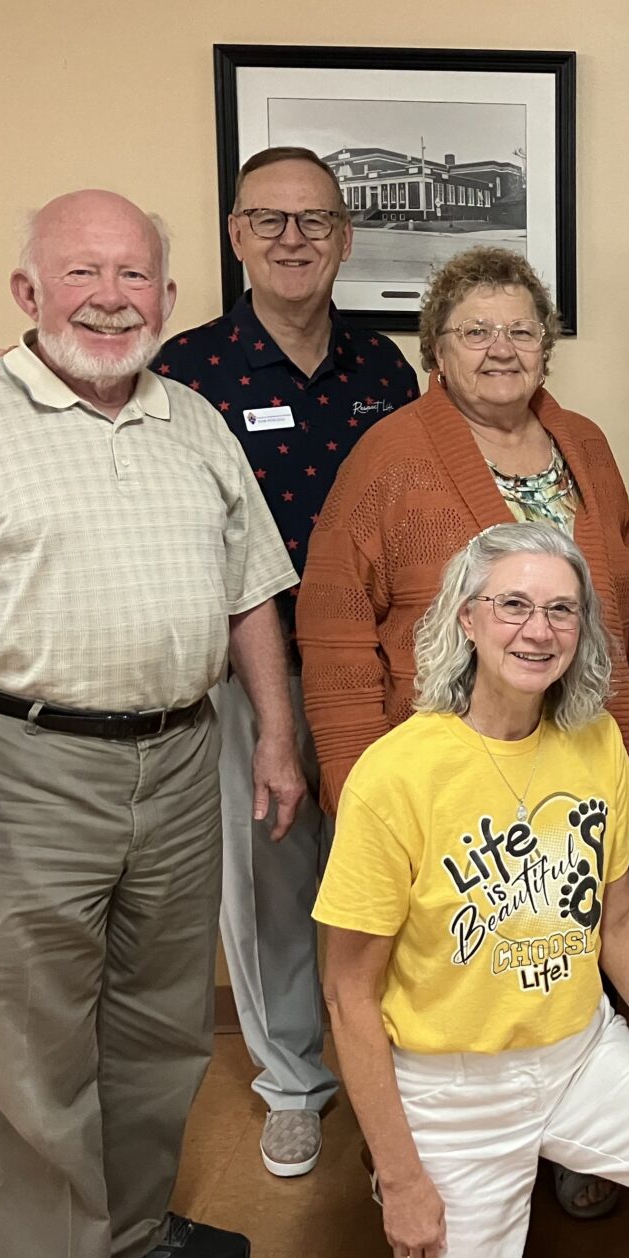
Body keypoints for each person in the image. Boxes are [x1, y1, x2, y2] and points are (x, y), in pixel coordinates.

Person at [0, 190, 304, 1258]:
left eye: (133, 276)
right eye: (82, 274)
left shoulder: (193, 419)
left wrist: (276, 739)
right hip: (19, 767)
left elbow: (251, 600)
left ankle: (133, 1234)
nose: (109, 298)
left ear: (168, 296)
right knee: (28, 1048)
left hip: (186, 760)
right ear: (28, 292)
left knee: (159, 1028)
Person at [316, 523, 629, 1258]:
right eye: (513, 604)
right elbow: (347, 993)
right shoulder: (395, 774)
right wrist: (403, 1176)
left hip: (582, 1057)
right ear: (465, 618)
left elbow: (621, 926)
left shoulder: (594, 740)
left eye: (562, 610)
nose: (538, 629)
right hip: (451, 1086)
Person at [297, 242, 629, 1217]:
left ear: (548, 346)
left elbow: (623, 593)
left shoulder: (585, 442)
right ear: (435, 351)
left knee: (566, 946)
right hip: (436, 780)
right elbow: (331, 625)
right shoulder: (391, 454)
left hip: (569, 762)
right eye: (474, 331)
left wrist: (625, 726)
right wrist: (357, 775)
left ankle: (573, 1131)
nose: (501, 348)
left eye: (521, 329)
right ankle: (408, 1152)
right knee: (440, 975)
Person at [157, 147, 419, 1180]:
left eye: (314, 221)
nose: (294, 240)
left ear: (345, 238)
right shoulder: (188, 371)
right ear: (236, 237)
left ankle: (382, 1066)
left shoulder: (384, 369)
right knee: (269, 881)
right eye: (270, 221)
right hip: (248, 674)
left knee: (379, 877)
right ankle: (294, 1084)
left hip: (371, 670)